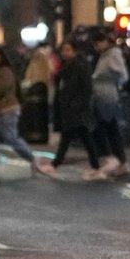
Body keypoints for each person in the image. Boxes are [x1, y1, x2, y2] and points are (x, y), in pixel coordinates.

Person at [0, 46, 56, 181]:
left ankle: (31, 157)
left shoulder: (6, 71)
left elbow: (1, 88)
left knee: (10, 137)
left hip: (8, 111)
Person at [89, 30, 130, 181]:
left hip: (108, 97)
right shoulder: (104, 55)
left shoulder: (113, 54)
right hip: (102, 96)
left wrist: (110, 79)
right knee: (109, 128)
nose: (97, 47)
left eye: (98, 43)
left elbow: (123, 75)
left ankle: (116, 160)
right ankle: (120, 161)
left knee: (105, 128)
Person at [50, 38, 97, 169]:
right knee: (77, 136)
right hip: (71, 108)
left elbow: (86, 88)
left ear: (75, 51)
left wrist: (77, 104)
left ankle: (56, 163)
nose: (65, 53)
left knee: (75, 136)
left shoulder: (79, 66)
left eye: (68, 50)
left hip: (76, 108)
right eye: (63, 50)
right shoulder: (67, 66)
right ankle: (95, 165)